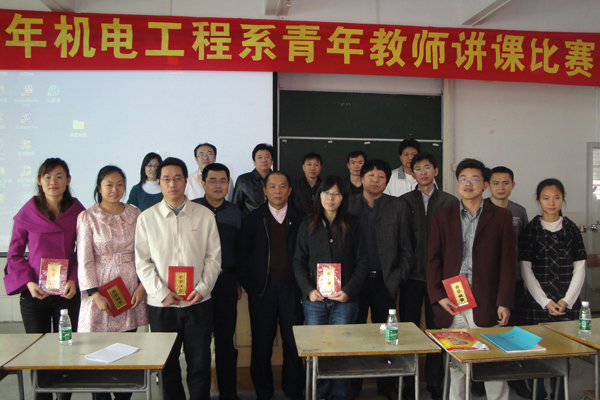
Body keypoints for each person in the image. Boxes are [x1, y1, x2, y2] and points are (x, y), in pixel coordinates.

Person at [427, 158, 516, 400]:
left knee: (492, 363)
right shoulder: (442, 217)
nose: (468, 184)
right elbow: (433, 260)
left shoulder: (501, 217)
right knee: (457, 365)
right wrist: (438, 296)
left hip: (487, 301)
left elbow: (508, 263)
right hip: (453, 302)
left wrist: (504, 301)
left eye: (475, 179)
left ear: (485, 185)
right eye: (463, 179)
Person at [135, 157, 221, 400]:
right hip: (162, 305)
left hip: (198, 302)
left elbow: (214, 258)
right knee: (167, 365)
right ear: (159, 183)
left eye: (177, 178)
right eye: (166, 179)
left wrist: (202, 289)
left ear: (185, 181)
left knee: (200, 363)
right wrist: (161, 293)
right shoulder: (147, 218)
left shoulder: (204, 215)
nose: (172, 183)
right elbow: (142, 262)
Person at [4, 157, 85, 400]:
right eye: (47, 177)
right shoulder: (27, 212)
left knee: (67, 351)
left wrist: (74, 279)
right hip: (34, 294)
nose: (53, 182)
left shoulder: (78, 212)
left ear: (68, 180)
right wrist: (29, 282)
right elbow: (14, 254)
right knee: (38, 353)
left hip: (67, 292)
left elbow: (84, 252)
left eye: (59, 176)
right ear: (39, 180)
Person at [77, 165, 149, 400]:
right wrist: (94, 294)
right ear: (99, 187)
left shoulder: (135, 214)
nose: (115, 189)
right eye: (109, 184)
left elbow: (144, 251)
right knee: (98, 352)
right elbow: (84, 259)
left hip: (129, 288)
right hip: (100, 290)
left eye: (120, 184)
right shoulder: (88, 217)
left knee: (126, 351)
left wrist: (142, 285)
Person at [294, 175, 368, 400]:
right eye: (326, 193)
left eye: (336, 194)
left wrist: (348, 291)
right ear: (320, 196)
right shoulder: (308, 223)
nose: (330, 198)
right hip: (315, 301)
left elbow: (362, 262)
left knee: (340, 350)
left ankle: (340, 395)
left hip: (344, 300)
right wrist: (309, 290)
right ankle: (318, 395)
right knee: (318, 351)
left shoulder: (353, 224)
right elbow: (298, 262)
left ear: (343, 197)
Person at [348, 159, 413, 400]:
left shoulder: (398, 206)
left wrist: (396, 278)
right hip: (354, 282)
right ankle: (352, 387)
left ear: (387, 181)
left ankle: (387, 386)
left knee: (387, 336)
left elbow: (407, 248)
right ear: (362, 178)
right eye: (371, 175)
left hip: (385, 282)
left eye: (381, 176)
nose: (375, 180)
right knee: (354, 335)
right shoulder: (348, 204)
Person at [237, 171, 305, 400]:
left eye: (282, 186)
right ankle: (263, 392)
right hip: (263, 290)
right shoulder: (253, 219)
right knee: (262, 344)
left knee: (293, 342)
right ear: (265, 190)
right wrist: (252, 287)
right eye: (273, 186)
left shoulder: (301, 218)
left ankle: (293, 390)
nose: (278, 191)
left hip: (292, 290)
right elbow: (242, 258)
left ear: (289, 190)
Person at [519, 179, 586, 400]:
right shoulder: (531, 231)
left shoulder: (572, 229)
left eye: (556, 197)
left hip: (567, 302)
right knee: (535, 352)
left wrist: (567, 300)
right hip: (537, 304)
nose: (551, 202)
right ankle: (538, 394)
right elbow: (526, 270)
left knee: (563, 352)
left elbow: (580, 267)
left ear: (563, 199)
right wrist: (545, 301)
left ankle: (560, 394)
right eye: (546, 198)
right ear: (538, 200)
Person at [398, 153, 458, 400]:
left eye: (427, 168)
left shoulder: (450, 201)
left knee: (438, 331)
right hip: (411, 278)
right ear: (412, 173)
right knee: (409, 331)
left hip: (439, 280)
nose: (422, 173)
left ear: (436, 171)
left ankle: (436, 383)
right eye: (418, 169)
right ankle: (409, 383)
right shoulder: (403, 201)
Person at [193, 163, 243, 400]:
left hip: (226, 282)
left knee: (225, 342)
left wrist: (238, 281)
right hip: (198, 285)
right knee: (199, 343)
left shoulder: (235, 212)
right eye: (212, 180)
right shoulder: (192, 209)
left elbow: (241, 250)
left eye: (223, 181)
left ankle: (229, 394)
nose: (218, 185)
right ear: (203, 183)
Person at [485, 166, 531, 399]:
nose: (501, 187)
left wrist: (526, 279)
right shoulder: (481, 208)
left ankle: (516, 378)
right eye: (496, 183)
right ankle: (483, 377)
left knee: (513, 331)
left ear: (513, 185)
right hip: (486, 284)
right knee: (487, 332)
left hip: (514, 281)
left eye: (505, 183)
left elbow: (525, 247)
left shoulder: (519, 211)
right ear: (488, 185)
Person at [232, 143, 274, 216]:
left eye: (267, 157)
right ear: (254, 162)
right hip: (250, 221)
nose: (264, 160)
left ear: (272, 161)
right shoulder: (243, 180)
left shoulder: (279, 180)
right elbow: (235, 206)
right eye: (260, 157)